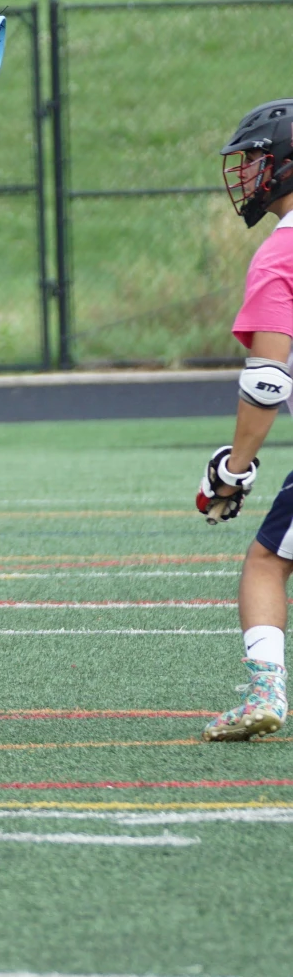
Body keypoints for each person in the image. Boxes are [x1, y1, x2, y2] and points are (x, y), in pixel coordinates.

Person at [193, 99, 293, 740]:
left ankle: (265, 692)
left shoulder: (281, 252)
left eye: (259, 158)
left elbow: (266, 380)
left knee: (265, 562)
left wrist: (234, 470)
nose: (249, 172)